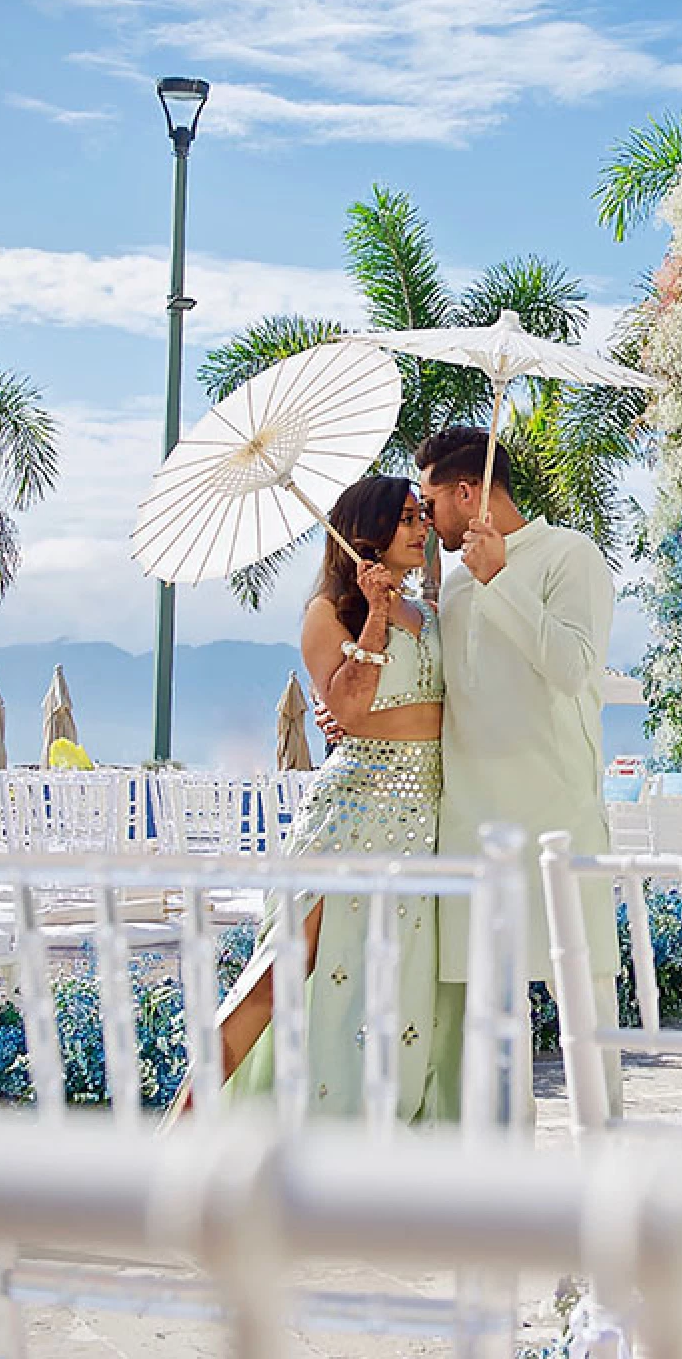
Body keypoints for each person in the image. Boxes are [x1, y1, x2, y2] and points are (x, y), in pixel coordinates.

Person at [325, 427, 622, 1119]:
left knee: (585, 995)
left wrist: (501, 579)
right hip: (471, 829)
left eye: (429, 502)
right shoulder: (452, 586)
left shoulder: (570, 556)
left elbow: (573, 668)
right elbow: (446, 688)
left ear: (468, 493)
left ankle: (604, 1158)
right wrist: (357, 715)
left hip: (557, 821)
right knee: (489, 1019)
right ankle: (503, 1177)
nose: (425, 519)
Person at [181, 475, 451, 1122]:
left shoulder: (435, 613)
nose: (422, 530)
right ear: (370, 532)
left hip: (423, 820)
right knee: (281, 973)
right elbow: (349, 711)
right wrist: (378, 614)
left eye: (421, 516)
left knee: (390, 986)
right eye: (408, 519)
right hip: (352, 813)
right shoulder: (328, 612)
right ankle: (183, 1126)